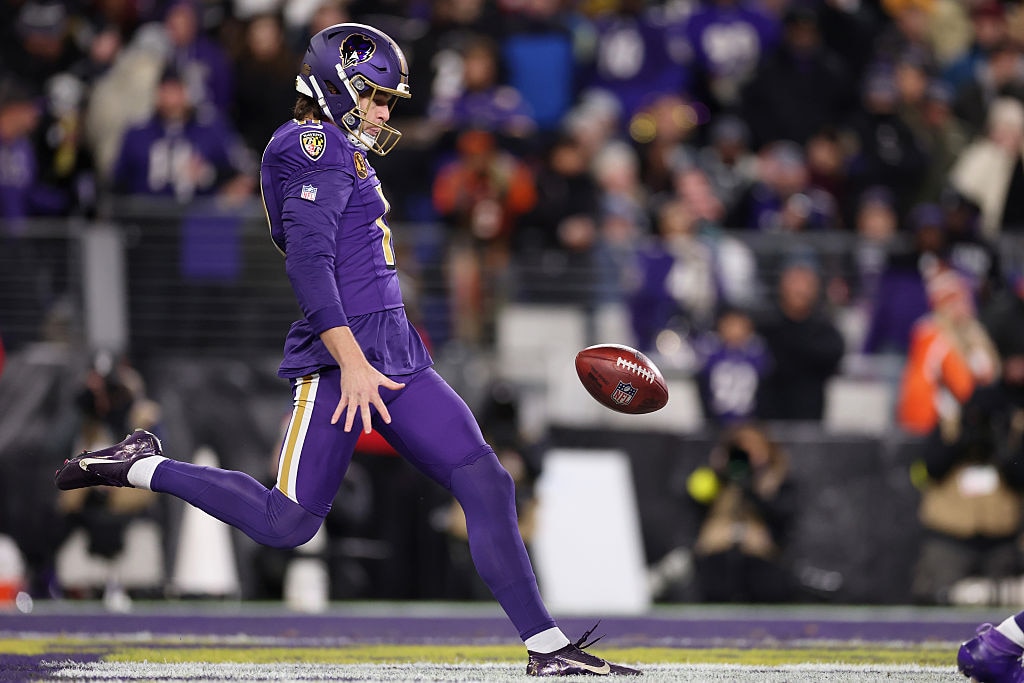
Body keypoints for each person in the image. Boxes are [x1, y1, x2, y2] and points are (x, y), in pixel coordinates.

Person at [54, 23, 639, 678]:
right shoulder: (310, 144)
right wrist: (354, 360)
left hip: (395, 352)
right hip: (343, 362)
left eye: (390, 99)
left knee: (487, 479)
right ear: (336, 84)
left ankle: (545, 645)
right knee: (287, 521)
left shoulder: (338, 147)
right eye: (377, 96)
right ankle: (141, 463)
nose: (385, 112)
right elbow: (309, 264)